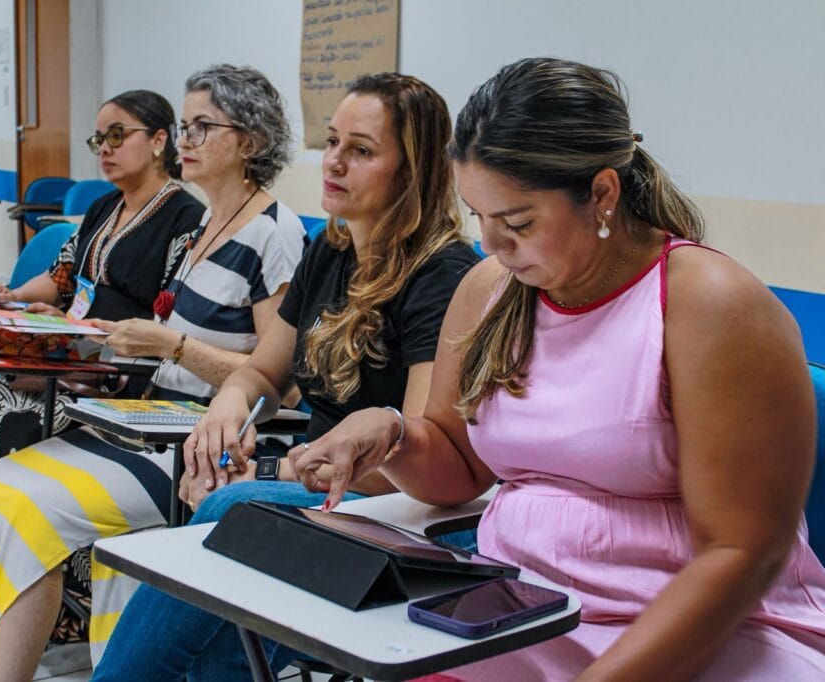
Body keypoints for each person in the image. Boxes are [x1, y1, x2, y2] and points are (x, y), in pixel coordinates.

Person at [287, 57, 825, 680]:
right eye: (479, 217)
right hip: (528, 614)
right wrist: (393, 433)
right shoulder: (490, 289)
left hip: (703, 631)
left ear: (602, 194)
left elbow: (742, 552)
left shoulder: (709, 304)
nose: (491, 245)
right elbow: (460, 468)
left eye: (518, 222)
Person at [0, 65, 305, 682]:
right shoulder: (205, 227)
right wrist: (79, 343)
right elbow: (143, 336)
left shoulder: (275, 234)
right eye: (184, 125)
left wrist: (171, 346)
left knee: (25, 506)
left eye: (201, 126)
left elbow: (282, 384)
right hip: (144, 416)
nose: (185, 139)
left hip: (194, 439)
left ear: (249, 141)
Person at [93, 72, 480, 681]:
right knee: (224, 602)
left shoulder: (443, 275)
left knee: (233, 508)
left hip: (388, 506)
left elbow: (415, 462)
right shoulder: (331, 249)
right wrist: (227, 414)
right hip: (318, 488)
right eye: (333, 141)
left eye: (361, 150)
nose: (334, 161)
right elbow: (264, 375)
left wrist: (273, 471)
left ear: (413, 171)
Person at [0, 88, 204, 626]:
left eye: (118, 135)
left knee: (13, 426)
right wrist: (10, 297)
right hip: (69, 363)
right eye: (99, 139)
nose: (106, 149)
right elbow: (61, 279)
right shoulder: (103, 207)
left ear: (159, 141)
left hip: (123, 381)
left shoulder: (185, 219)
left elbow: (170, 322)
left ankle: (49, 611)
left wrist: (86, 337)